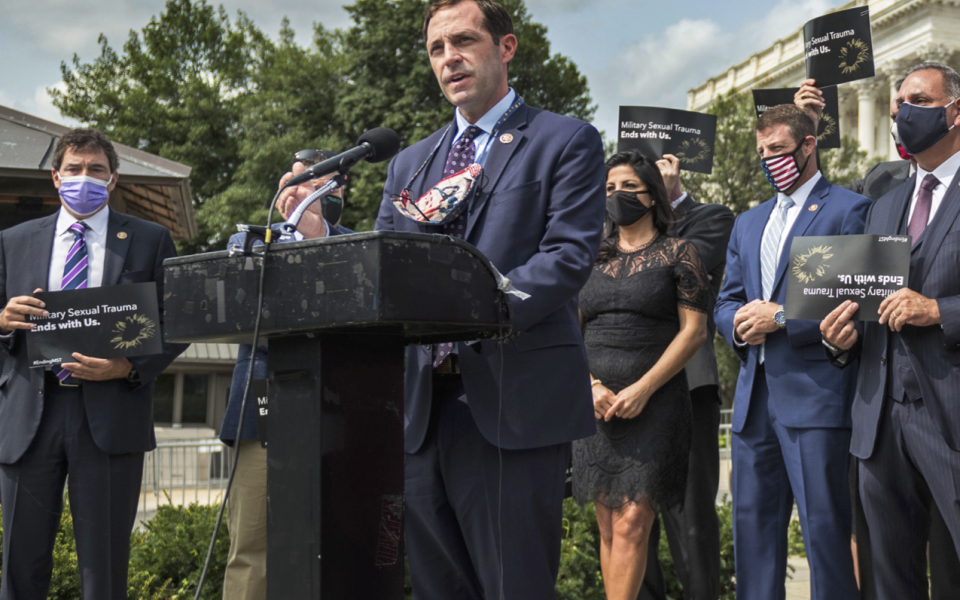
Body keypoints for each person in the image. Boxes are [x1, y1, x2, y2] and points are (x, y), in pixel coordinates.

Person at [374, 0, 606, 596]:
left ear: (505, 48)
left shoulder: (564, 140)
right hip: (424, 407)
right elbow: (384, 270)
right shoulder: (408, 163)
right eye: (436, 48)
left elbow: (567, 257)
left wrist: (478, 308)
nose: (449, 58)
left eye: (463, 41)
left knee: (515, 585)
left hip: (513, 400)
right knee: (436, 586)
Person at [0, 128, 186, 600]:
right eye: (75, 169)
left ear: (114, 178)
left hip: (109, 415)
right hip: (29, 419)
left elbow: (179, 321)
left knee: (104, 573)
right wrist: (2, 321)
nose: (86, 178)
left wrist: (128, 366)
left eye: (96, 170)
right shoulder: (13, 241)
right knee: (19, 568)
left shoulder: (149, 239)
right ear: (56, 177)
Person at [798, 74, 960, 600]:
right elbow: (871, 302)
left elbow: (926, 306)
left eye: (918, 101)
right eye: (897, 104)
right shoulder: (884, 204)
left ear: (955, 111)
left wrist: (938, 310)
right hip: (879, 424)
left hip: (951, 418)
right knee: (891, 580)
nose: (902, 112)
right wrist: (841, 338)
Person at [714, 105, 870, 600]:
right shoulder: (747, 222)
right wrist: (738, 326)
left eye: (778, 150)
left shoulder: (849, 208)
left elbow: (853, 297)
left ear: (808, 145)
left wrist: (779, 317)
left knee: (827, 537)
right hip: (752, 404)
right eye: (762, 153)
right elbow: (726, 300)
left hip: (816, 400)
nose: (769, 161)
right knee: (753, 539)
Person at [573, 149, 708, 600]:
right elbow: (570, 333)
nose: (617, 196)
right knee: (609, 524)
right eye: (610, 188)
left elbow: (694, 332)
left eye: (628, 187)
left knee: (633, 522)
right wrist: (589, 385)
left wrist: (643, 388)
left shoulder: (679, 252)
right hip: (595, 407)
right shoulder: (589, 255)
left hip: (655, 406)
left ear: (652, 194)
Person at [220, 150, 350, 600]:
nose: (297, 186)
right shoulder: (248, 244)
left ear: (337, 193)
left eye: (312, 179)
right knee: (251, 543)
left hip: (342, 410)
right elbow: (240, 317)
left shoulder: (363, 248)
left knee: (339, 540)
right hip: (262, 410)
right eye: (290, 180)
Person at [640, 156, 733, 600]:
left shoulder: (712, 218)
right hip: (624, 387)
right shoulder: (616, 229)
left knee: (692, 520)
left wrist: (668, 205)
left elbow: (676, 271)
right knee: (632, 522)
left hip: (687, 388)